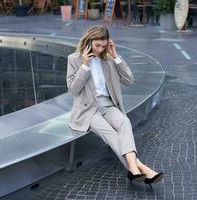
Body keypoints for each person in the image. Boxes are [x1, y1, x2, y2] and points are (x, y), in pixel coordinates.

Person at [66, 26, 163, 187]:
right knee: (111, 133)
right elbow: (73, 90)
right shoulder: (74, 59)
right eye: (97, 45)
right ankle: (141, 168)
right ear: (89, 42)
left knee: (124, 122)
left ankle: (133, 169)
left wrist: (116, 56)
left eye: (103, 46)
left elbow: (129, 80)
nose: (99, 49)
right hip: (88, 110)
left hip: (109, 105)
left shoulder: (109, 59)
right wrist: (84, 65)